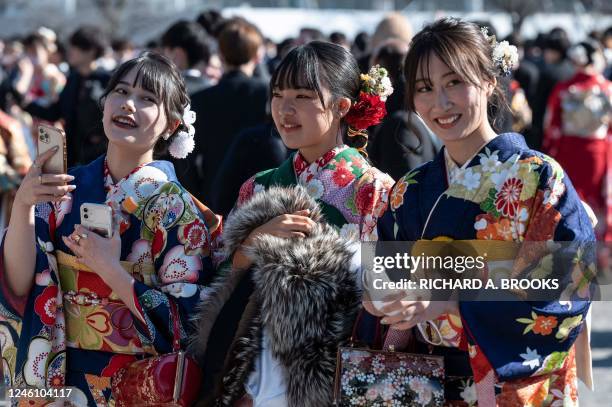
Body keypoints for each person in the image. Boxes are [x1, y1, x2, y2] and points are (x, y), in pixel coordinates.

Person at [371, 18, 595, 405]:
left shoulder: (538, 176)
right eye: (424, 88)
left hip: (514, 383)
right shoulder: (410, 190)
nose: (440, 103)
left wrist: (449, 296)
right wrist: (381, 297)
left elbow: (570, 277)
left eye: (454, 82)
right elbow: (383, 276)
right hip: (429, 383)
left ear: (489, 80)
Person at [0, 52, 220, 405]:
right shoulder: (65, 189)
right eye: (121, 91)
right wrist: (24, 206)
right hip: (59, 372)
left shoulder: (177, 210)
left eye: (147, 98)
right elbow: (18, 286)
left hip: (135, 382)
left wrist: (112, 271)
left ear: (172, 125)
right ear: (104, 105)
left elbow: (189, 322)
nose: (129, 105)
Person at [190, 41, 394, 406]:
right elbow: (220, 283)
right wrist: (252, 242)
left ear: (341, 106)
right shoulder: (259, 186)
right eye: (278, 94)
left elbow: (386, 292)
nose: (284, 109)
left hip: (332, 372)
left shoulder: (373, 189)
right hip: (251, 373)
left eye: (302, 96)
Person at [190, 17, 269, 205]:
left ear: (220, 55)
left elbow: (189, 160)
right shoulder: (269, 94)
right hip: (260, 196)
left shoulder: (200, 98)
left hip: (212, 195)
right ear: (257, 55)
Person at [543, 40, 611, 242]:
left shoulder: (564, 89)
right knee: (597, 199)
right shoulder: (607, 89)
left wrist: (549, 150)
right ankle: (601, 251)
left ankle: (572, 240)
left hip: (568, 150)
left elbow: (551, 126)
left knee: (571, 197)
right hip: (598, 151)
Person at [22, 26, 111, 167]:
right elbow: (55, 112)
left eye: (75, 47)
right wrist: (25, 104)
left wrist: (99, 135)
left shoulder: (107, 80)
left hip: (100, 157)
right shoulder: (73, 78)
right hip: (72, 155)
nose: (70, 51)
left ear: (91, 51)